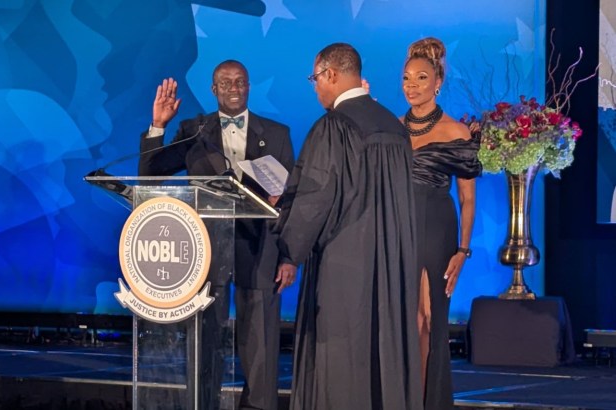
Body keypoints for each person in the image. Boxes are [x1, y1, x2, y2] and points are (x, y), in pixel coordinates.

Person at [139, 60, 295, 410]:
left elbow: (289, 201)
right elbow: (150, 173)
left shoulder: (278, 133)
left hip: (261, 252)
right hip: (208, 253)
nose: (234, 88)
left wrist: (288, 256)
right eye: (226, 83)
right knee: (207, 345)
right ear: (214, 90)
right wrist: (158, 125)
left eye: (240, 81)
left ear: (249, 85)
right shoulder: (195, 130)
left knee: (261, 350)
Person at [275, 43, 423, 410]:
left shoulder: (333, 127)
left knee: (341, 356)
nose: (315, 88)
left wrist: (288, 250)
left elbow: (315, 198)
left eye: (315, 79)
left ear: (330, 74)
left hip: (345, 262)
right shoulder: (394, 126)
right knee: (381, 350)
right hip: (391, 265)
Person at [401, 37, 481, 409]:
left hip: (436, 226)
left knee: (429, 317)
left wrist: (463, 251)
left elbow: (467, 199)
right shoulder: (392, 129)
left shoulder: (456, 132)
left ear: (438, 83)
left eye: (421, 78)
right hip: (398, 227)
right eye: (406, 78)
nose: (412, 85)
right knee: (406, 319)